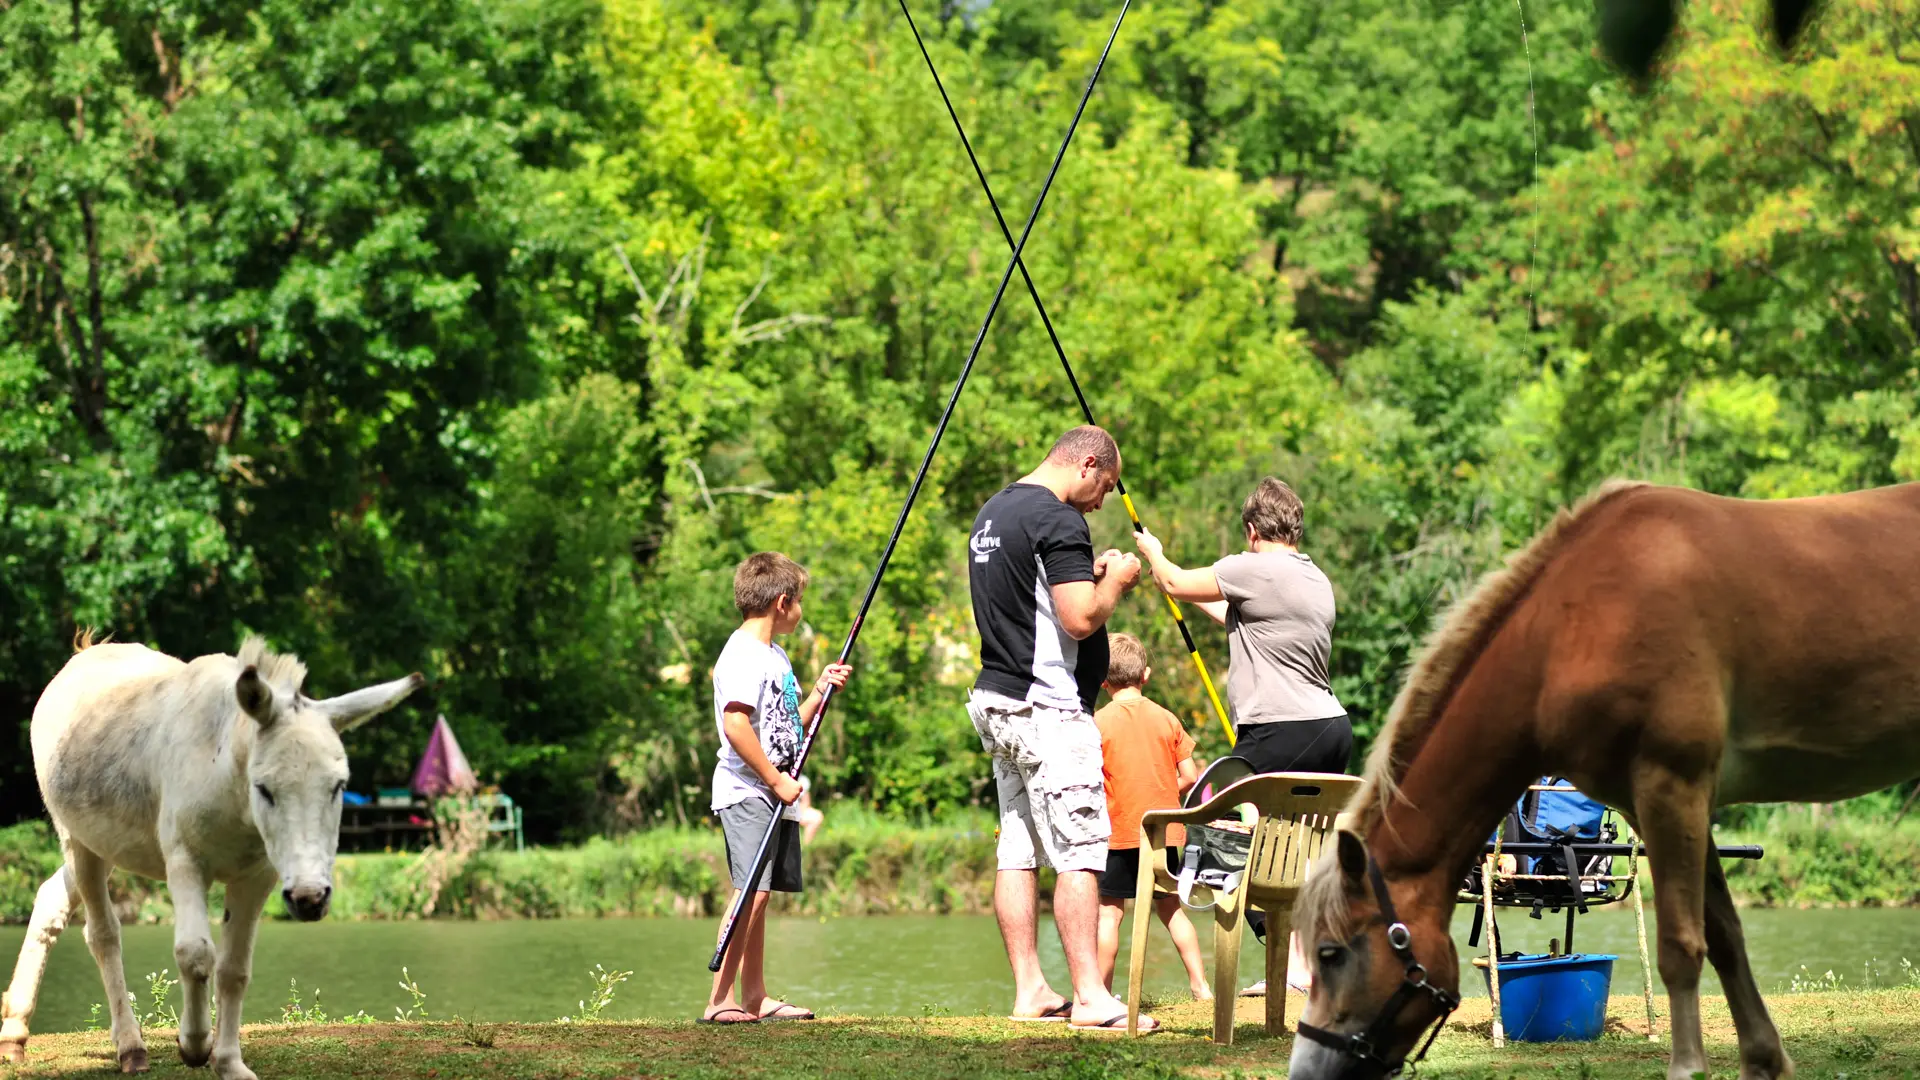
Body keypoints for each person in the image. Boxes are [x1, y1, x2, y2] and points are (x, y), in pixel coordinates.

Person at [966, 425, 1159, 1033]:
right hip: (1048, 709)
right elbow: (1078, 619)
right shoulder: (1058, 518)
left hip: (997, 699)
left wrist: (1089, 570)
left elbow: (1034, 595)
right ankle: (1089, 997)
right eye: (1104, 486)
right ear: (1089, 463)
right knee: (1081, 850)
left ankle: (1030, 989)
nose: (1102, 500)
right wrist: (1118, 583)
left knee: (1018, 850)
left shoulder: (994, 511)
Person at [1133, 477, 1349, 995]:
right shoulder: (1314, 578)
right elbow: (1245, 615)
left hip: (1280, 728)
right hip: (1330, 728)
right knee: (1296, 849)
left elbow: (1175, 582)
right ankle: (1301, 968)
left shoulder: (1249, 567)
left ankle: (1264, 944)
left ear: (1253, 530)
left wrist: (1154, 553)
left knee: (1216, 828)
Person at [701, 552, 853, 1025]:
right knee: (751, 892)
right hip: (748, 789)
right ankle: (718, 1001)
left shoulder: (774, 655)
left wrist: (818, 693)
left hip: (774, 792)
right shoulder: (743, 653)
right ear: (782, 602)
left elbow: (785, 727)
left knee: (762, 895)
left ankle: (754, 997)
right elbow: (735, 725)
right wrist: (773, 779)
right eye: (800, 601)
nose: (800, 609)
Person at [1092, 634, 1211, 1001]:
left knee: (1109, 916)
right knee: (1172, 908)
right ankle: (1201, 987)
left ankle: (1101, 993)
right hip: (1165, 834)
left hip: (1119, 833)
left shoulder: (1096, 722)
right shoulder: (1166, 718)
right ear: (1145, 675)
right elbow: (1191, 776)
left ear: (1102, 680)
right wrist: (1162, 792)